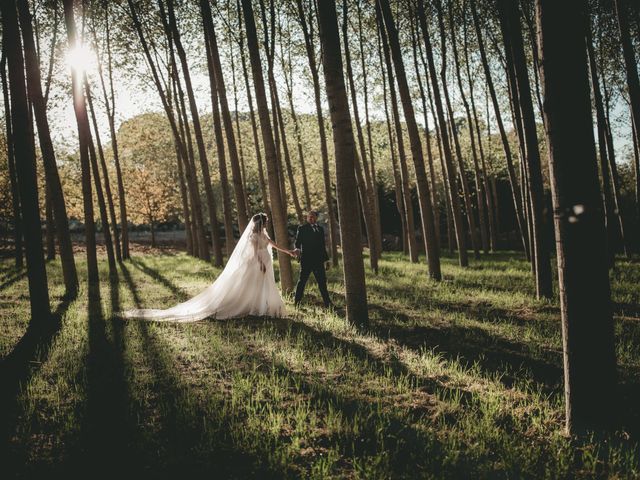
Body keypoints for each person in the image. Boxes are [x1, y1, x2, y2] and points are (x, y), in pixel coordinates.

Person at [120, 213, 295, 321]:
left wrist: (288, 252)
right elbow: (255, 251)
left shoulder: (263, 233)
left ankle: (265, 307)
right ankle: (249, 306)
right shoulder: (252, 237)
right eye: (265, 221)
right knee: (252, 286)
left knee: (265, 285)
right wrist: (261, 264)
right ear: (260, 223)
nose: (267, 224)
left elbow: (274, 244)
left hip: (266, 263)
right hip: (258, 264)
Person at [293, 210, 332, 308]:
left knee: (322, 283)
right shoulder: (302, 228)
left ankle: (329, 304)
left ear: (316, 218)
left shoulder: (320, 229)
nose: (310, 218)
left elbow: (322, 246)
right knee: (302, 281)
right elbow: (297, 242)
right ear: (307, 218)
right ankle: (296, 303)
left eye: (313, 216)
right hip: (306, 260)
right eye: (309, 217)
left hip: (318, 261)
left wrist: (326, 260)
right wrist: (297, 250)